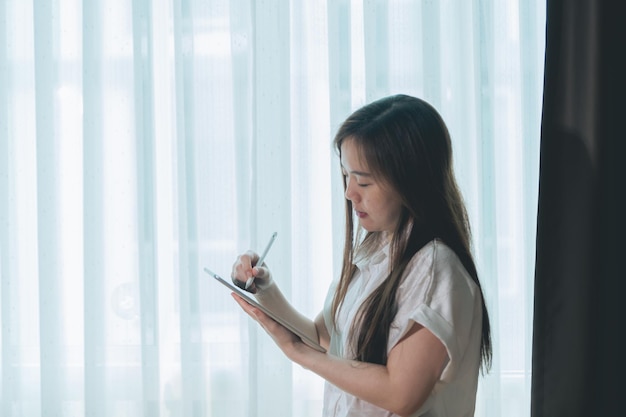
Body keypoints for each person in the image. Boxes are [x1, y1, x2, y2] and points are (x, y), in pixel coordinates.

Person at [230, 94, 492, 417]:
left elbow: (400, 393)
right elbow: (327, 342)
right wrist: (265, 290)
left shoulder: (436, 271)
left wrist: (297, 354)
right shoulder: (374, 254)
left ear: (410, 182)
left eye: (363, 181)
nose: (349, 192)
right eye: (346, 175)